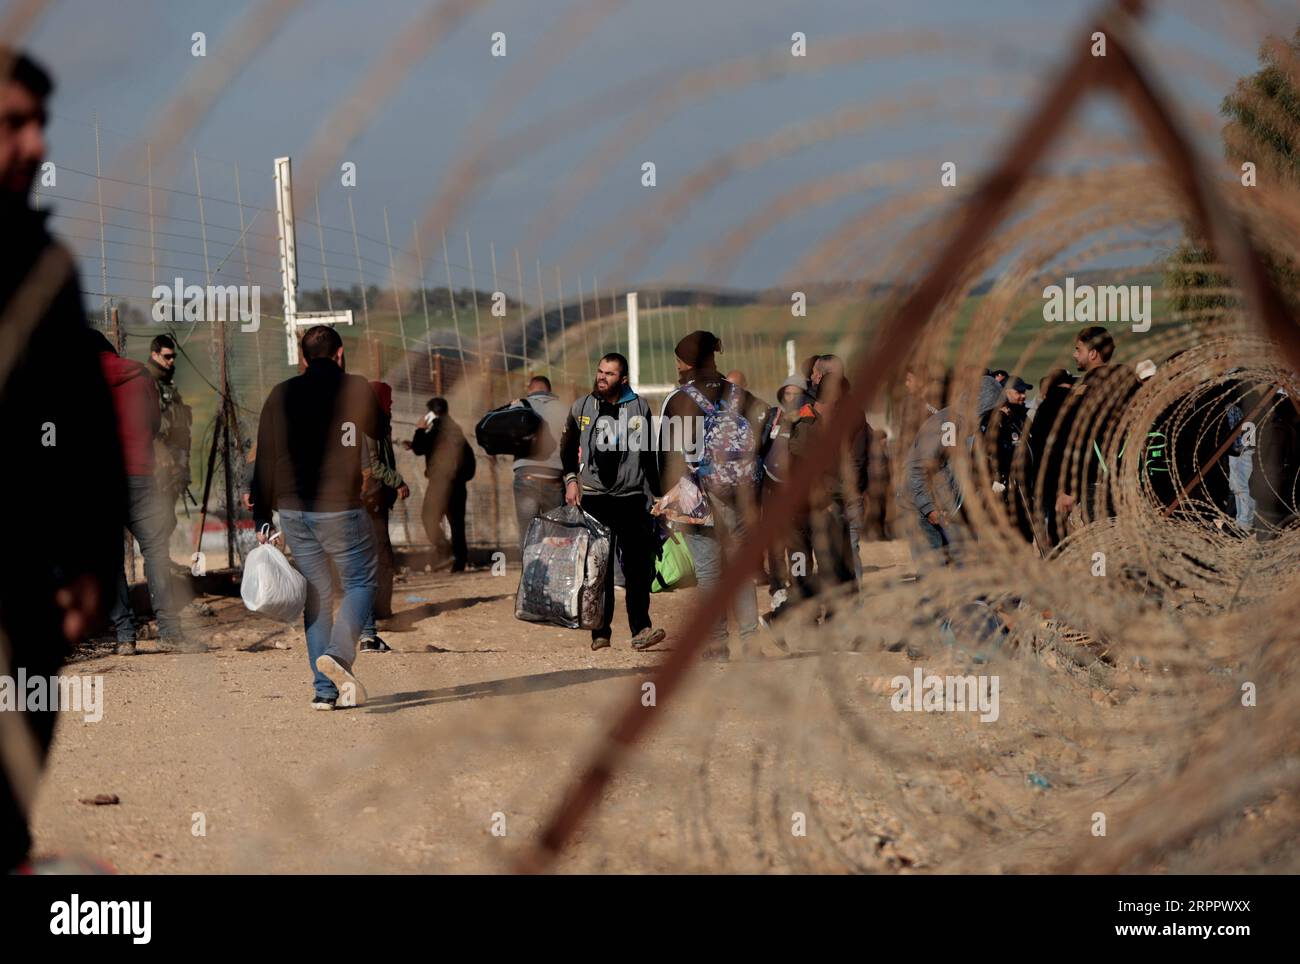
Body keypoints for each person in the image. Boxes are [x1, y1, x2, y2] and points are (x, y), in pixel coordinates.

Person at [1, 48, 127, 871]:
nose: (36, 143)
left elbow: (85, 423)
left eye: (41, 123)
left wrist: (91, 559)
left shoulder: (45, 262)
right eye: (13, 124)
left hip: (24, 591)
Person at [250, 325, 381, 710]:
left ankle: (324, 692)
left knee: (317, 593)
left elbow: (266, 457)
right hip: (339, 506)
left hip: (292, 508)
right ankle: (340, 653)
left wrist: (262, 516)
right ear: (340, 354)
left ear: (303, 357)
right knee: (360, 582)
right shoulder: (354, 387)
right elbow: (380, 428)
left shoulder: (281, 393)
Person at [659, 331, 769, 660]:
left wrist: (664, 495)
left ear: (686, 362)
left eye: (678, 359)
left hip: (696, 492)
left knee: (708, 571)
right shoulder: (738, 393)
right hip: (739, 489)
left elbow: (664, 453)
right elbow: (765, 422)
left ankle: (718, 645)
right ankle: (751, 644)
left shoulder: (678, 399)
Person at [91, 331, 198, 655]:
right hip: (141, 475)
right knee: (154, 552)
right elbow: (153, 424)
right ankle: (169, 630)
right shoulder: (140, 375)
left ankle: (125, 636)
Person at [560, 352, 664, 651]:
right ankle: (600, 631)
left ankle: (641, 628)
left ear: (623, 379)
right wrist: (570, 481)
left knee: (637, 569)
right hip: (595, 498)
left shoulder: (639, 407)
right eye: (600, 371)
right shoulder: (582, 406)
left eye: (610, 374)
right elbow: (567, 449)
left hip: (632, 499)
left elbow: (648, 455)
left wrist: (657, 495)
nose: (602, 377)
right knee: (599, 569)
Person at [359, 381, 409, 654]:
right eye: (387, 400)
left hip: (376, 498)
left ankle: (378, 613)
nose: (390, 405)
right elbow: (373, 464)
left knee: (380, 557)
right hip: (369, 499)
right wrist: (397, 480)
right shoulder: (369, 426)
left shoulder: (380, 424)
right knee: (379, 558)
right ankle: (376, 616)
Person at [409, 397, 475, 572]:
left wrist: (419, 430)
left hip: (440, 484)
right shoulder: (456, 430)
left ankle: (444, 551)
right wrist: (461, 478)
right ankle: (459, 562)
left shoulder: (436, 429)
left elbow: (418, 448)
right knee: (457, 524)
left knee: (428, 517)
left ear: (432, 413)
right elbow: (469, 458)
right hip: (458, 486)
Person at [509, 375, 567, 551]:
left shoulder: (520, 406)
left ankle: (530, 575)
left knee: (529, 533)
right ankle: (556, 574)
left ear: (530, 389)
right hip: (555, 479)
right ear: (549, 390)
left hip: (526, 476)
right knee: (557, 535)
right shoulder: (564, 410)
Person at [146, 333, 192, 541]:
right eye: (167, 356)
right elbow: (144, 424)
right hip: (160, 461)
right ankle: (157, 563)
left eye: (174, 356)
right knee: (161, 515)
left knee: (168, 515)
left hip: (174, 457)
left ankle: (161, 561)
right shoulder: (148, 382)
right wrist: (160, 451)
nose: (172, 360)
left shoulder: (168, 383)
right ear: (154, 355)